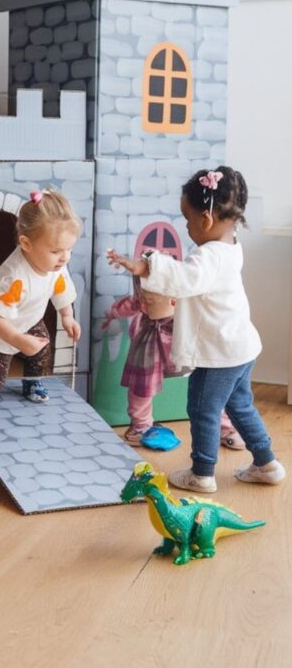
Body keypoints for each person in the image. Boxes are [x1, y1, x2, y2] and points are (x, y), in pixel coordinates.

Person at [107, 165, 285, 493]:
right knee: (240, 404)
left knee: (202, 408)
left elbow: (185, 279)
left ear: (206, 219)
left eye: (188, 219)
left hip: (220, 354)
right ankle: (266, 462)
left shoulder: (208, 256)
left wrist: (145, 265)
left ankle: (202, 473)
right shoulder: (232, 247)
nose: (187, 227)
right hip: (241, 347)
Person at [0, 188, 82, 403]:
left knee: (41, 349)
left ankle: (32, 381)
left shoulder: (56, 265)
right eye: (56, 251)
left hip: (27, 319)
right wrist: (18, 340)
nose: (65, 258)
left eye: (69, 249)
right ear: (26, 244)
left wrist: (67, 316)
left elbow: (61, 288)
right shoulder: (14, 278)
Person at [103, 280, 245, 449]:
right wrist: (112, 314)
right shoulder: (146, 298)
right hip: (157, 347)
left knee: (208, 387)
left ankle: (224, 427)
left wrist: (111, 314)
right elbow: (125, 306)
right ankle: (141, 427)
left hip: (177, 347)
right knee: (143, 388)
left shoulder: (187, 298)